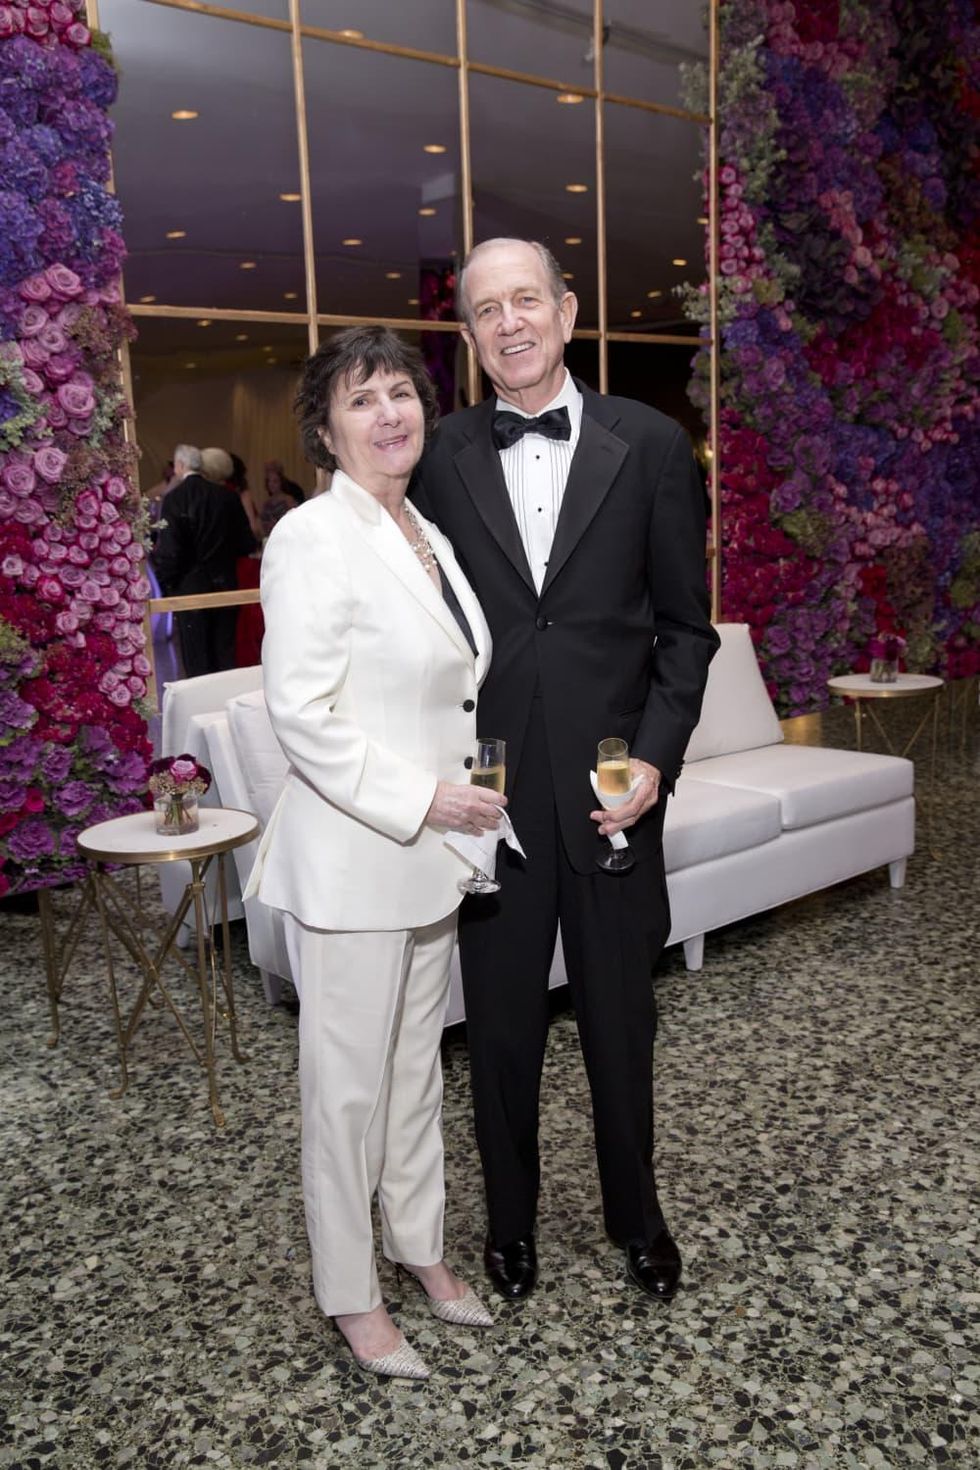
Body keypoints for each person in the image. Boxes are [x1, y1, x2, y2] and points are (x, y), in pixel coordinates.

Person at [412, 238, 719, 1305]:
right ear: (466, 336)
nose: (509, 323)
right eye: (486, 309)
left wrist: (655, 765)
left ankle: (637, 1218)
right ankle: (508, 1226)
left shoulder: (650, 445)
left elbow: (685, 633)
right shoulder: (440, 454)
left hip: (608, 794)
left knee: (620, 1024)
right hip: (490, 799)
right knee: (495, 1031)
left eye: (526, 300)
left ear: (567, 309)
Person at [244, 327, 504, 1380]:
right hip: (357, 858)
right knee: (343, 1091)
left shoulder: (423, 534)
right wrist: (425, 797)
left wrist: (467, 795)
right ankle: (349, 1294)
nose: (389, 412)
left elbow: (452, 687)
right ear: (324, 428)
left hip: (429, 860)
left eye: (401, 393)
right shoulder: (312, 537)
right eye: (363, 400)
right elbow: (299, 713)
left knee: (409, 1075)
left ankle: (422, 1248)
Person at [151, 443, 256, 678]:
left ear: (179, 466)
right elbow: (247, 543)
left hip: (190, 591)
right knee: (225, 655)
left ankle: (203, 712)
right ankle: (226, 709)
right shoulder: (227, 496)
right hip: (226, 586)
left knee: (197, 662)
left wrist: (165, 583)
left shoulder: (175, 499)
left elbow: (171, 551)